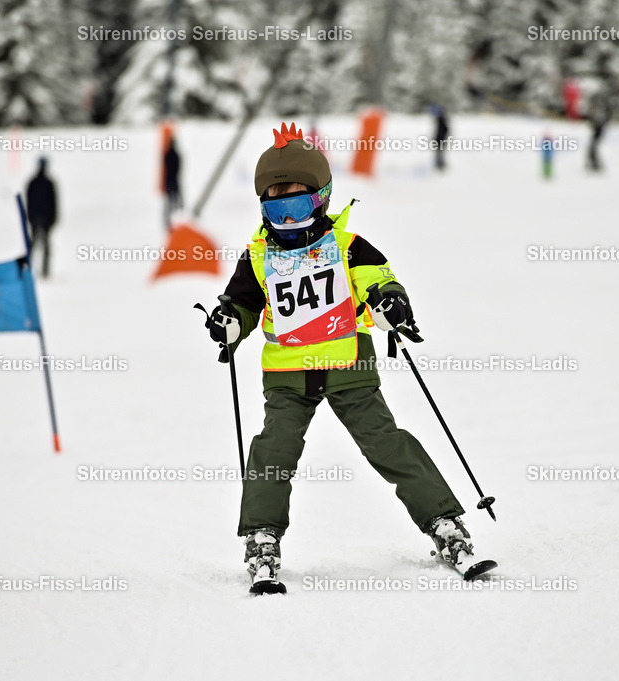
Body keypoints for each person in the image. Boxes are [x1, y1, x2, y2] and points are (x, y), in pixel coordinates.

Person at [204, 122, 486, 586]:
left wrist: (390, 301)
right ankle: (261, 537)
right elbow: (243, 302)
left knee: (386, 444)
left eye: (296, 205)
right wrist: (228, 322)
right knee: (273, 451)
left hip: (349, 368)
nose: (288, 219)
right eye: (276, 207)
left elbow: (379, 281)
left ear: (320, 200)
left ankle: (444, 522)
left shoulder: (346, 248)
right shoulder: (258, 257)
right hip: (288, 376)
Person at [25, 157, 57, 278]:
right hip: (38, 218)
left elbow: (54, 202)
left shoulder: (46, 183)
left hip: (44, 219)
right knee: (35, 245)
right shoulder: (37, 183)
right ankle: (30, 270)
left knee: (43, 245)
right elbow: (29, 201)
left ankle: (43, 271)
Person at [163, 138, 183, 230]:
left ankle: (173, 222)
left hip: (171, 181)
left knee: (172, 203)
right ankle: (174, 222)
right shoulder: (174, 155)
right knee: (174, 203)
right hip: (173, 181)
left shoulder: (168, 155)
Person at [432, 105, 449, 170]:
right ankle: (439, 165)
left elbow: (444, 130)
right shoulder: (441, 120)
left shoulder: (441, 120)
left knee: (439, 153)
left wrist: (439, 138)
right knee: (439, 153)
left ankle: (440, 166)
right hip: (439, 140)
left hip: (440, 140)